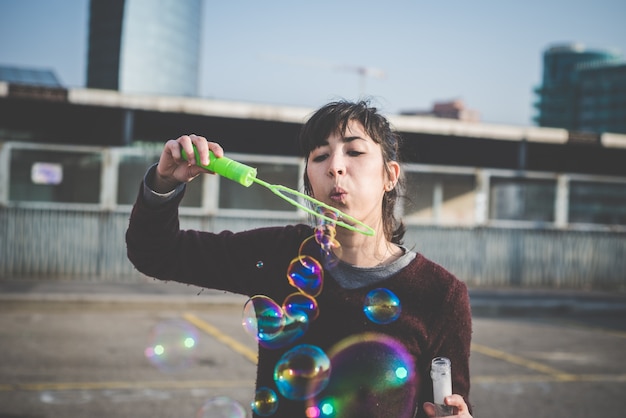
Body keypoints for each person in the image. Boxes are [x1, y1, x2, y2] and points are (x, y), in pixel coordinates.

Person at [126, 100, 473, 418]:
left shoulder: (439, 295)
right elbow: (156, 254)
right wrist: (164, 182)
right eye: (320, 156)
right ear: (308, 178)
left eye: (354, 152)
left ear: (390, 176)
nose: (335, 167)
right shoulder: (278, 253)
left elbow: (445, 406)